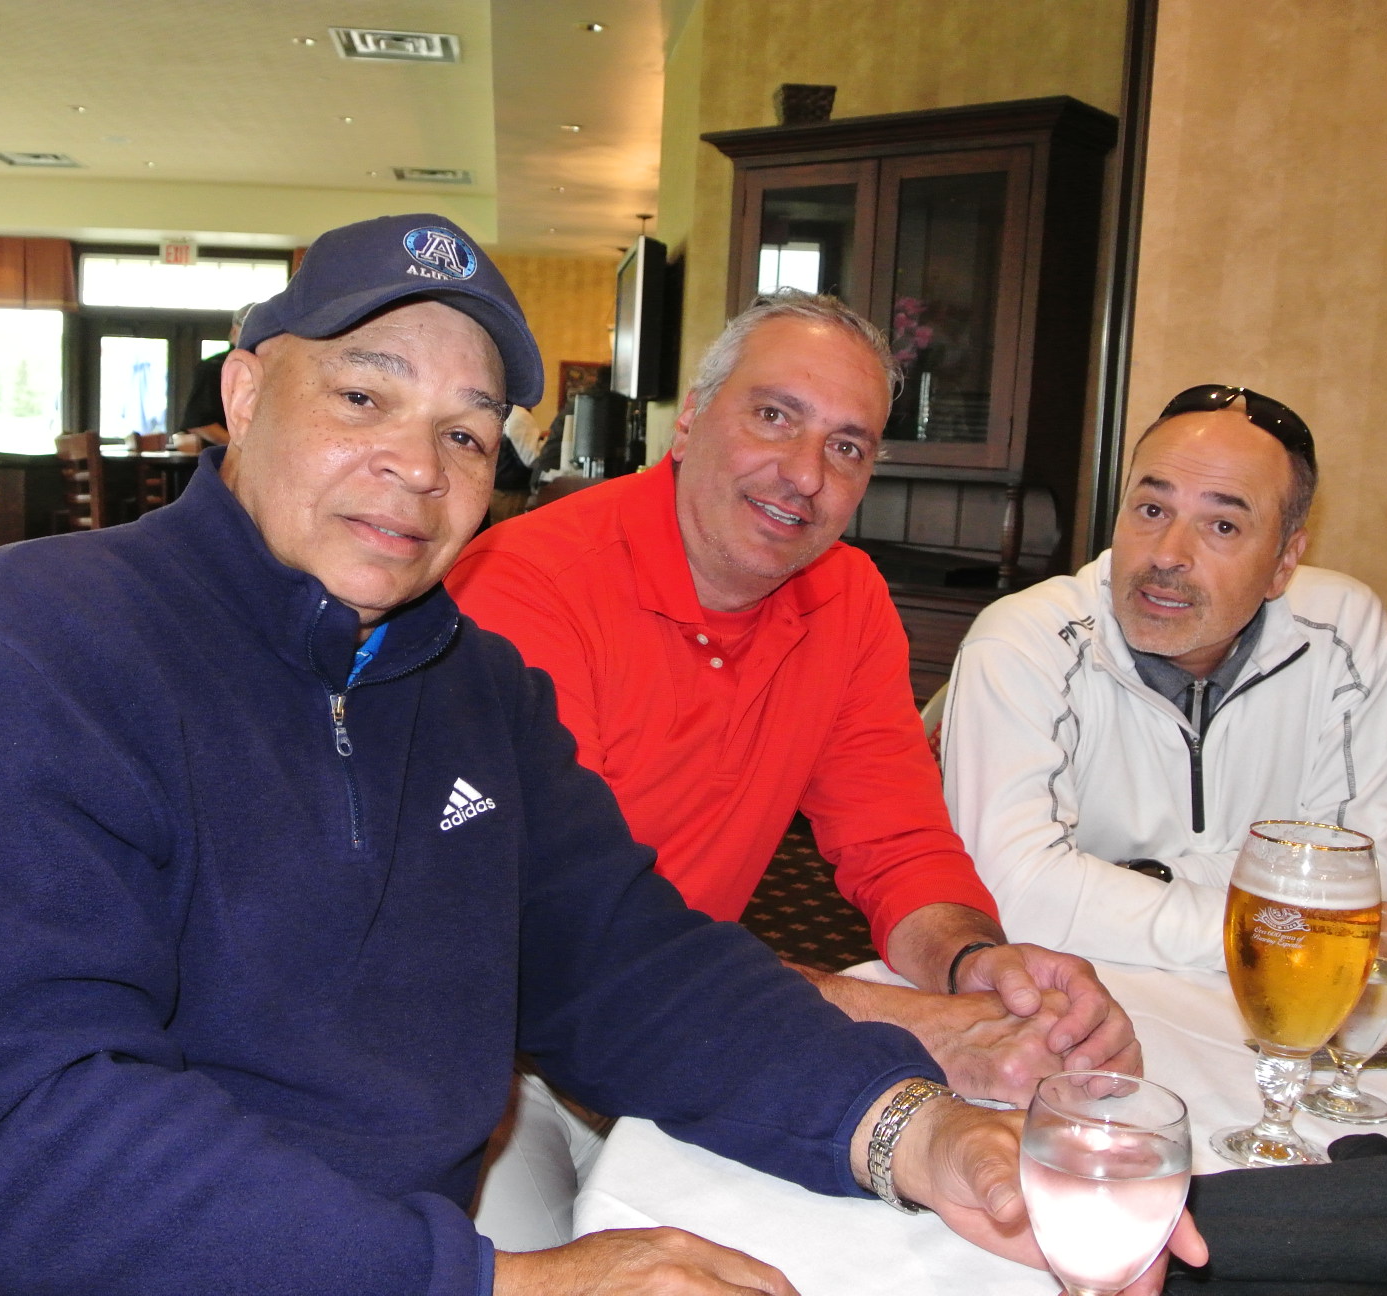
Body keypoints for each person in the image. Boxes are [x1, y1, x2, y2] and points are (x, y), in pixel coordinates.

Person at [0, 216, 1197, 1295]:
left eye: (470, 433)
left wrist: (915, 1133)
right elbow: (30, 1128)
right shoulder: (31, 646)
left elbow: (631, 966)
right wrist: (491, 1285)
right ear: (245, 393)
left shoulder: (466, 685)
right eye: (364, 396)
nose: (416, 468)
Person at [449, 292, 1135, 1113]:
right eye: (775, 416)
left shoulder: (847, 599)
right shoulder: (524, 588)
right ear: (691, 418)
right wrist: (921, 1025)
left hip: (698, 1020)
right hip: (503, 1054)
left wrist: (973, 964)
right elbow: (565, 932)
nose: (807, 474)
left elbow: (897, 840)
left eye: (847, 447)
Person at [939, 384, 1387, 972]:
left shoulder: (1344, 632)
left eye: (1223, 526)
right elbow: (1015, 894)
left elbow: (1354, 884)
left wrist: (1137, 879)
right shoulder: (1023, 640)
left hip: (1268, 995)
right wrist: (1278, 917)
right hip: (1078, 991)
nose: (1167, 555)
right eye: (1153, 510)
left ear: (1284, 563)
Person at [176, 301, 255, 449]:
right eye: (249, 328)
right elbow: (200, 424)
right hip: (222, 457)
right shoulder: (213, 368)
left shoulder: (274, 369)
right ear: (234, 333)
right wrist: (244, 450)